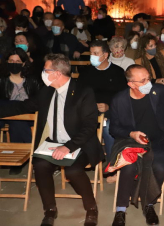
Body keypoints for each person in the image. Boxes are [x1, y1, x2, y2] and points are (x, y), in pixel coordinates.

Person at [0, 53, 104, 226]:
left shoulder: (83, 92)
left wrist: (68, 147)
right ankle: (50, 210)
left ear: (56, 73)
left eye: (45, 70)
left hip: (79, 143)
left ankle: (91, 207)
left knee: (73, 171)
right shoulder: (46, 92)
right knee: (39, 165)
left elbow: (89, 126)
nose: (43, 73)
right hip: (53, 142)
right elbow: (23, 106)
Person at [110, 65, 164, 226]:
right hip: (131, 142)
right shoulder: (119, 100)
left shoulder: (158, 91)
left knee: (160, 168)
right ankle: (120, 210)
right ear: (131, 84)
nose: (148, 82)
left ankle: (148, 204)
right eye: (143, 80)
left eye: (148, 78)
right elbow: (114, 128)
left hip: (157, 141)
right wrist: (132, 134)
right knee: (128, 168)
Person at [77, 40, 127, 167]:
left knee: (108, 127)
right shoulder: (86, 73)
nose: (92, 56)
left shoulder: (118, 72)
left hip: (111, 111)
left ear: (105, 55)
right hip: (88, 111)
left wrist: (109, 105)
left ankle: (112, 164)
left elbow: (123, 97)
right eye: (91, 53)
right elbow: (78, 95)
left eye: (96, 53)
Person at [0, 48, 42, 174]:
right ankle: (35, 156)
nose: (14, 63)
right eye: (11, 60)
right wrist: (21, 107)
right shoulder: (2, 80)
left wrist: (12, 107)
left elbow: (38, 102)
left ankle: (19, 160)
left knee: (18, 121)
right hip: (7, 118)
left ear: (23, 63)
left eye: (18, 61)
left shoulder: (33, 80)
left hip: (30, 117)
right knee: (17, 122)